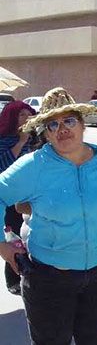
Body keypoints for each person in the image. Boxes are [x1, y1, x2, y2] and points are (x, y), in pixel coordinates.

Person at [0, 87, 97, 344]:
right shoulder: (35, 165)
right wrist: (2, 246)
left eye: (68, 120)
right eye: (52, 124)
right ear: (45, 133)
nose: (62, 129)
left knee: (93, 340)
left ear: (81, 124)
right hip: (48, 280)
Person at [0, 100, 35, 295]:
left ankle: (28, 275)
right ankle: (12, 279)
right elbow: (3, 164)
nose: (26, 118)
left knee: (28, 237)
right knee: (13, 239)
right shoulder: (4, 140)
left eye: (28, 114)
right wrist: (20, 142)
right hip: (8, 199)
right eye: (21, 115)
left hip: (28, 197)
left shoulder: (33, 139)